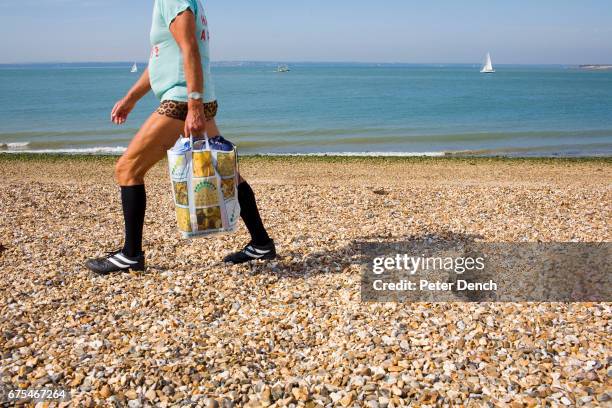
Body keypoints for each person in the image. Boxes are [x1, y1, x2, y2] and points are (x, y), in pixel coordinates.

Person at [86, 0, 275, 274]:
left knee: (127, 169)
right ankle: (261, 243)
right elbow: (162, 61)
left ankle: (131, 254)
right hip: (193, 97)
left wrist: (194, 105)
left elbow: (190, 50)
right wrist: (130, 99)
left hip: (182, 100)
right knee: (227, 174)